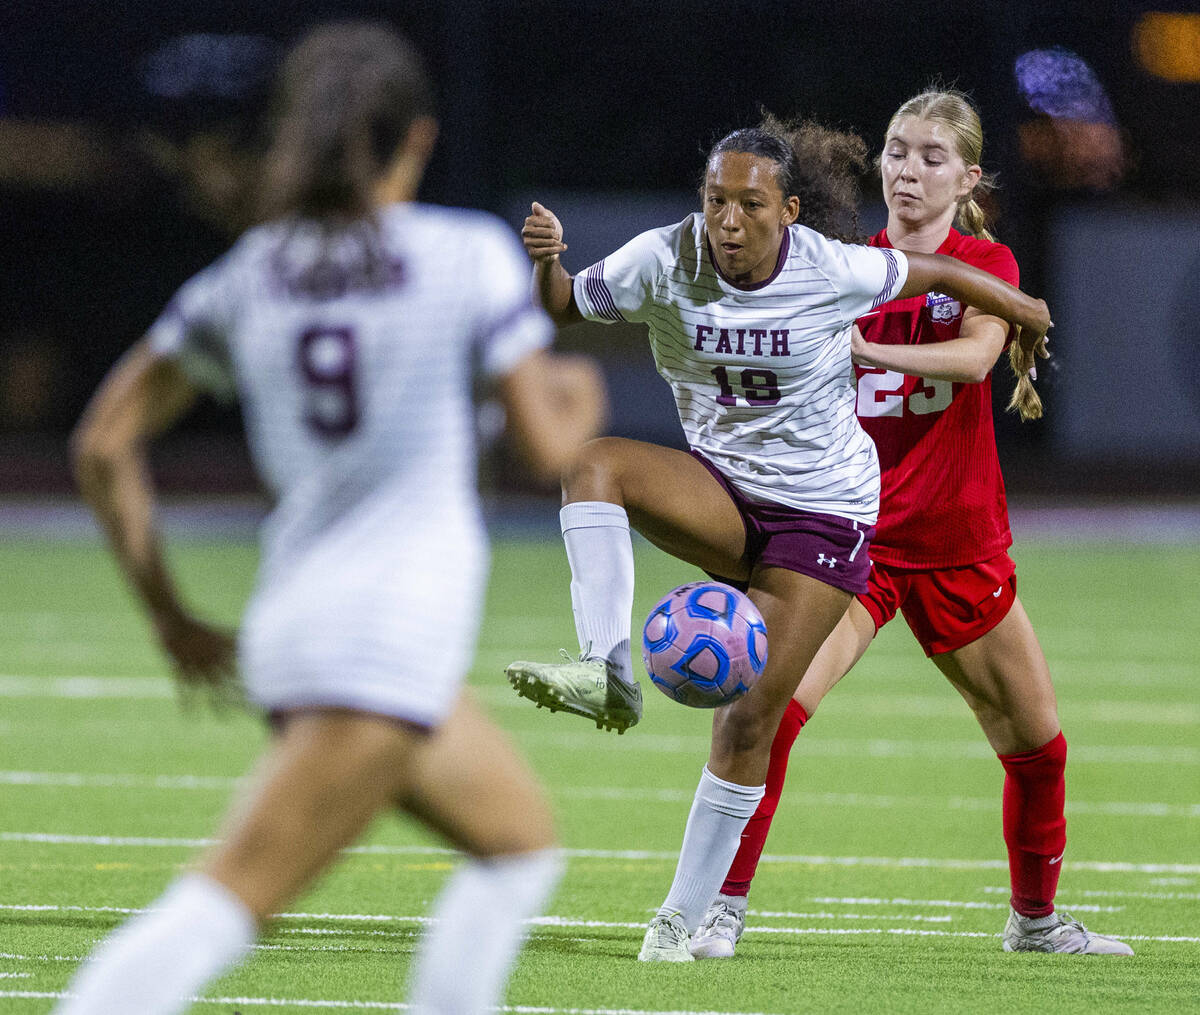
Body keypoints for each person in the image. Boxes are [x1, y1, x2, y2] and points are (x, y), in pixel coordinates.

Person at [55, 22, 607, 1015]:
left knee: (518, 847)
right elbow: (550, 448)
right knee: (223, 903)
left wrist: (169, 615)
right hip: (383, 635)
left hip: (311, 621)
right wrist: (579, 389)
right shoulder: (463, 253)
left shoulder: (250, 271)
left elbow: (102, 442)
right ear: (417, 138)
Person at [504, 112, 1052, 961]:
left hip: (825, 517)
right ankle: (607, 668)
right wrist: (548, 262)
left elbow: (942, 268)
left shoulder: (834, 269)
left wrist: (1020, 306)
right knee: (593, 465)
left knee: (751, 716)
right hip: (727, 492)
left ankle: (684, 920)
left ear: (789, 210)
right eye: (716, 200)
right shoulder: (667, 254)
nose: (728, 220)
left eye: (750, 205)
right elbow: (565, 309)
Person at [689, 89, 1131, 960]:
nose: (907, 169)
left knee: (1038, 745)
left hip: (958, 544)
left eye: (932, 156)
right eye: (897, 150)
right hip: (853, 543)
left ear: (967, 177)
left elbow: (974, 359)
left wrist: (862, 347)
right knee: (768, 713)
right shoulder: (843, 264)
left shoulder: (983, 260)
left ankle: (1036, 923)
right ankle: (718, 908)